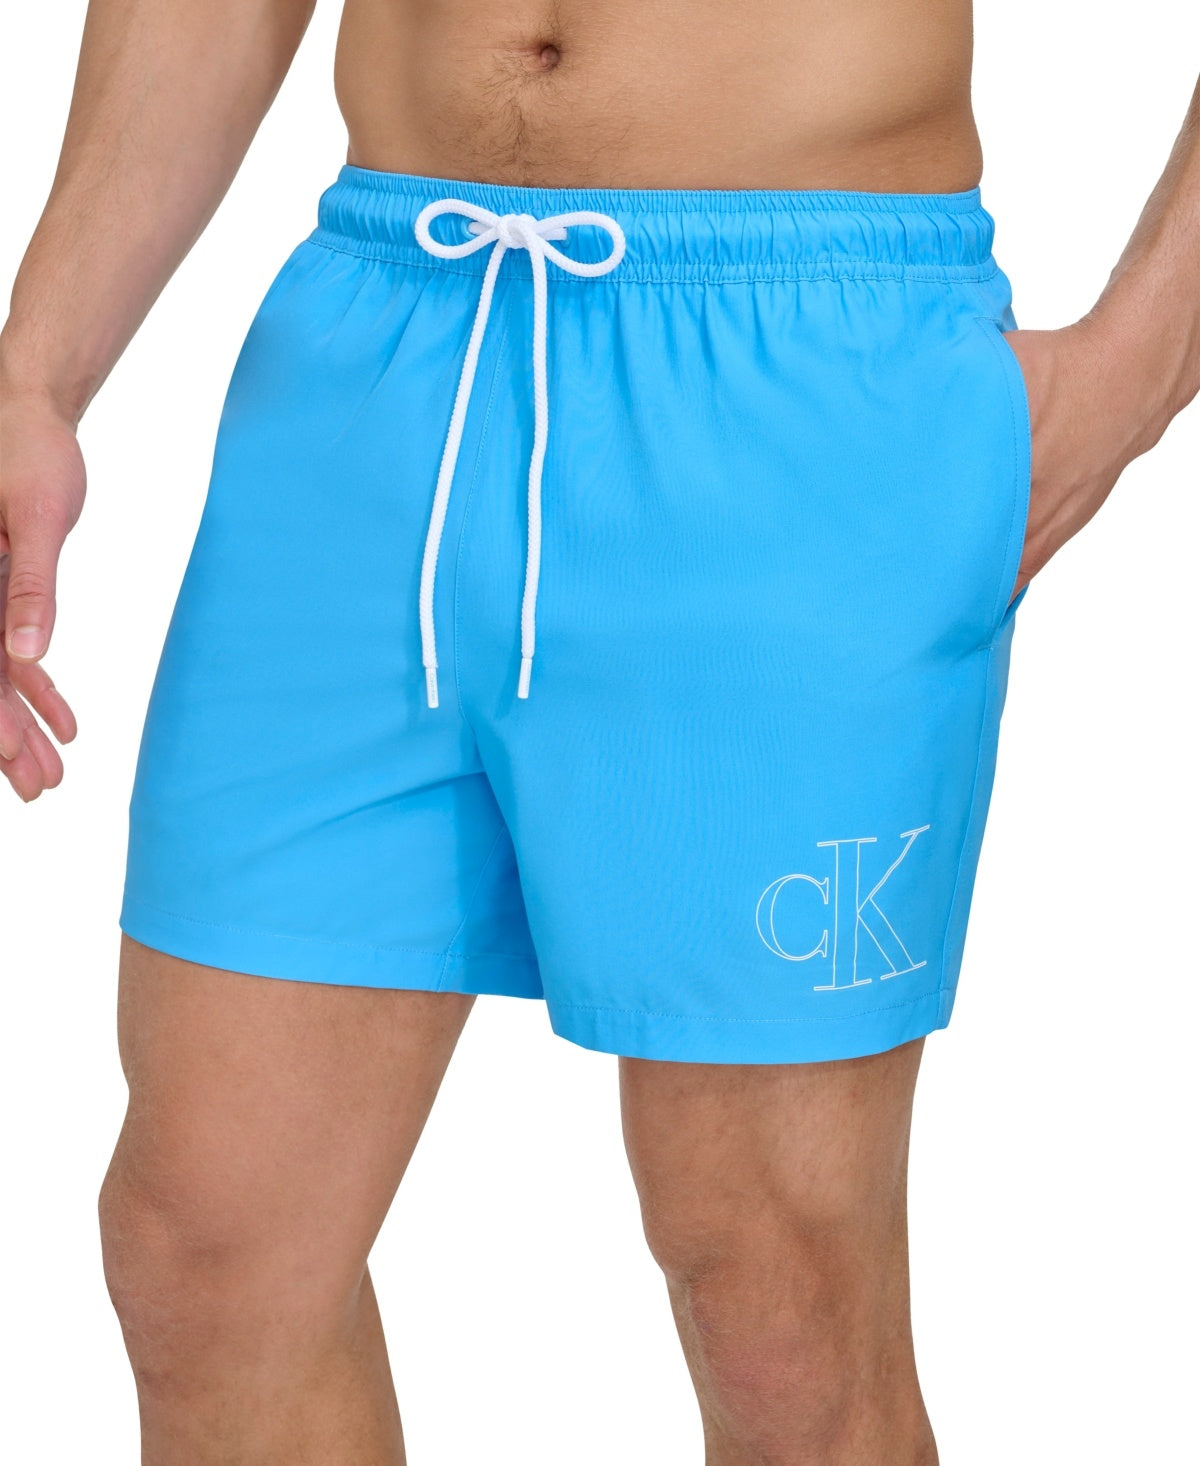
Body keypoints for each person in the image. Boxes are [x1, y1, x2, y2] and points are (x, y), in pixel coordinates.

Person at [1, 0, 1196, 1459]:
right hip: (374, 363)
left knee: (777, 1304)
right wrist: (35, 375)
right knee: (205, 1249)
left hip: (795, 378)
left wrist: (1135, 374)